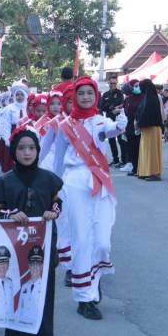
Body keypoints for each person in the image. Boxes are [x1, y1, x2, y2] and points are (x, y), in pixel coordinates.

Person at [53, 76, 126, 320]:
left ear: (96, 95)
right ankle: (85, 296)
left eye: (89, 92)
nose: (85, 96)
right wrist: (53, 190)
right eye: (81, 93)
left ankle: (93, 277)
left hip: (100, 180)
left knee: (102, 240)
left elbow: (112, 129)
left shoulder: (100, 121)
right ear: (74, 97)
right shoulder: (65, 126)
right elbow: (57, 162)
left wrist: (121, 123)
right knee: (82, 238)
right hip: (73, 182)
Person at [0, 127, 62, 336]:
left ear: (38, 150)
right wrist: (10, 214)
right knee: (17, 287)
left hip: (43, 243)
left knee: (41, 288)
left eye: (32, 148)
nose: (27, 152)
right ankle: (16, 333)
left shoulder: (49, 178)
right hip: (16, 244)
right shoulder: (6, 181)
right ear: (14, 152)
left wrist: (54, 212)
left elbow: (57, 202)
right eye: (21, 148)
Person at [135, 79, 163, 181]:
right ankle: (145, 171)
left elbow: (147, 113)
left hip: (152, 128)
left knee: (152, 152)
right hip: (147, 128)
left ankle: (154, 173)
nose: (140, 88)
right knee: (146, 151)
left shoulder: (152, 98)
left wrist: (139, 123)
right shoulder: (147, 97)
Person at [99, 76, 126, 167]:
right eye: (111, 83)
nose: (113, 85)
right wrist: (111, 106)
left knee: (120, 140)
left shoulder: (120, 93)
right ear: (108, 83)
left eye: (114, 83)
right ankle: (115, 159)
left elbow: (120, 103)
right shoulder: (105, 94)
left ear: (117, 84)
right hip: (109, 120)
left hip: (118, 120)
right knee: (111, 140)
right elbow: (102, 106)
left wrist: (110, 105)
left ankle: (123, 160)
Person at [121, 80, 143, 175]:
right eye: (135, 86)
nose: (137, 87)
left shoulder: (143, 97)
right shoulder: (128, 99)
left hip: (139, 126)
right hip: (129, 126)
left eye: (138, 85)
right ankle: (134, 168)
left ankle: (140, 169)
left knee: (139, 148)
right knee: (131, 148)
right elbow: (125, 111)